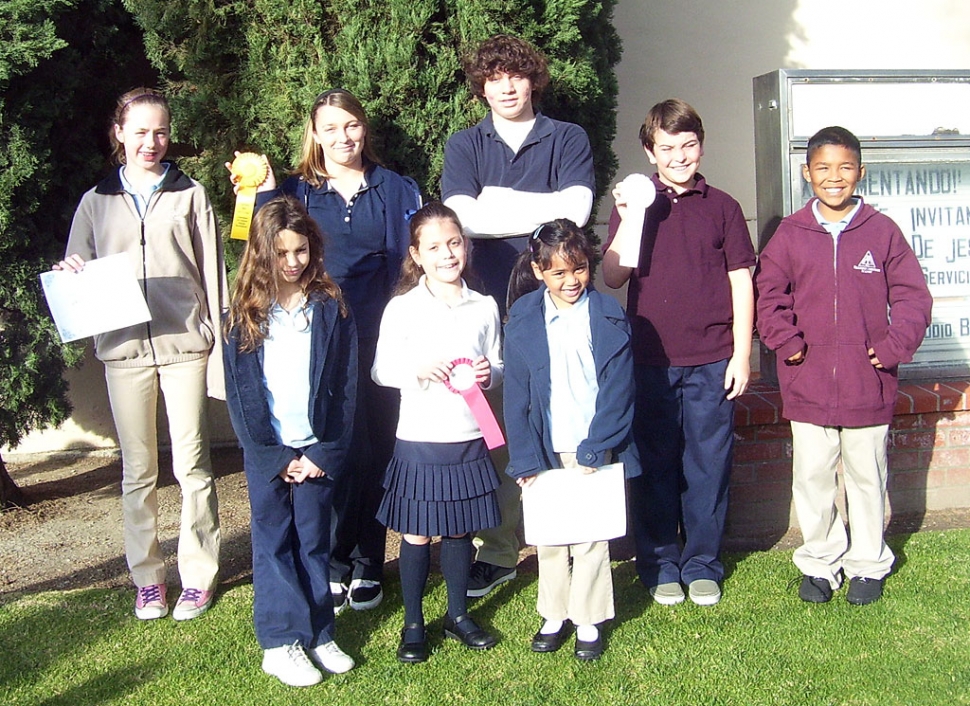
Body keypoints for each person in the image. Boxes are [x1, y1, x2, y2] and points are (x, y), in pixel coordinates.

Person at [236, 88, 422, 613]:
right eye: (331, 127)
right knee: (328, 451)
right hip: (314, 349)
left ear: (364, 129)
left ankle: (367, 563)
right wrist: (260, 196)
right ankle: (330, 563)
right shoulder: (294, 192)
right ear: (314, 134)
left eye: (352, 125)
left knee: (374, 452)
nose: (344, 137)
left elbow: (407, 267)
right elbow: (264, 251)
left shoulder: (395, 187)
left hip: (379, 343)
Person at [57, 88, 225, 621]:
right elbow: (75, 265)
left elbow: (214, 273)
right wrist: (71, 273)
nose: (151, 142)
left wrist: (218, 337)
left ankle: (197, 576)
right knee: (138, 470)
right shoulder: (95, 201)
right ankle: (148, 579)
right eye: (140, 132)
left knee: (194, 464)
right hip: (124, 350)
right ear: (120, 134)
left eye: (160, 132)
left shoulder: (191, 194)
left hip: (184, 347)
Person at [441, 33, 596, 598]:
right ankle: (502, 551)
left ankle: (575, 543)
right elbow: (461, 217)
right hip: (487, 313)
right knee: (499, 434)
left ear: (533, 80)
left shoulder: (568, 137)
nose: (506, 87)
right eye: (494, 78)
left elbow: (575, 212)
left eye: (516, 76)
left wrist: (495, 207)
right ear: (482, 86)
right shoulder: (464, 144)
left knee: (565, 425)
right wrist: (540, 211)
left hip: (558, 307)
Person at [755, 126, 932, 606]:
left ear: (860, 172)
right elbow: (768, 295)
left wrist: (893, 346)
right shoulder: (790, 234)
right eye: (824, 168)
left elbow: (913, 297)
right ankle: (820, 561)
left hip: (866, 382)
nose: (834, 178)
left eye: (845, 167)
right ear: (807, 173)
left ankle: (867, 564)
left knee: (866, 476)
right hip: (807, 379)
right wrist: (785, 342)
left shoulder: (881, 231)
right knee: (812, 477)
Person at [602, 98, 756, 607]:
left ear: (701, 146)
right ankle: (661, 562)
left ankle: (703, 562)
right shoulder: (637, 205)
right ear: (650, 151)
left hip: (713, 358)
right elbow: (613, 276)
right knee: (654, 464)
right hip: (650, 360)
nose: (679, 156)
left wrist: (741, 354)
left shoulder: (725, 207)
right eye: (667, 147)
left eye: (688, 145)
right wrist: (630, 216)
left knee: (707, 464)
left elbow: (741, 283)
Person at [223, 195, 357, 686]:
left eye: (301, 250)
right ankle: (281, 641)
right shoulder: (244, 314)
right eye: (281, 254)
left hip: (315, 451)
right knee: (274, 543)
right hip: (271, 455)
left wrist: (322, 453)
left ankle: (320, 632)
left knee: (314, 543)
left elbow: (345, 386)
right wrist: (274, 457)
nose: (293, 262)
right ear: (261, 254)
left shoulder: (330, 307)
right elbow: (243, 396)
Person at [372, 202, 503, 663]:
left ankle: (458, 615)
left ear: (465, 245)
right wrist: (419, 368)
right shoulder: (402, 308)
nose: (447, 254)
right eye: (434, 247)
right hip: (421, 437)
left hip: (468, 436)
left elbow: (498, 363)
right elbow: (381, 370)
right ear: (416, 254)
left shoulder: (484, 306)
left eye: (453, 243)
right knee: (416, 534)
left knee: (460, 532)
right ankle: (413, 623)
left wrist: (490, 374)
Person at [503, 220, 639, 661]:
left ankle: (587, 619)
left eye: (578, 269)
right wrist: (523, 458)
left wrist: (599, 444)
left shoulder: (607, 314)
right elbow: (517, 395)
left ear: (589, 265)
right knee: (550, 536)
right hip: (544, 445)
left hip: (592, 444)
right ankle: (554, 614)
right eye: (558, 273)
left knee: (590, 537)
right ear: (539, 271)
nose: (571, 281)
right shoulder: (524, 316)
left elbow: (619, 389)